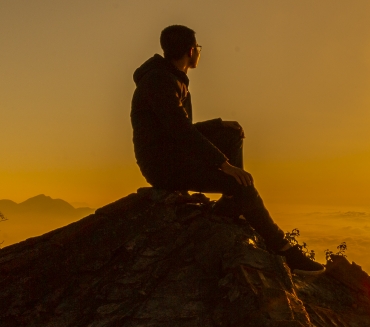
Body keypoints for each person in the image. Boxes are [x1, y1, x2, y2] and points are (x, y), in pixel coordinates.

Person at [131, 24, 324, 272]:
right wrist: (225, 165)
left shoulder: (169, 77)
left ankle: (233, 203)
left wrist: (219, 125)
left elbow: (177, 128)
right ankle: (282, 248)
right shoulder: (159, 80)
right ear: (191, 51)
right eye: (198, 48)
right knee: (240, 183)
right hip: (163, 167)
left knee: (231, 133)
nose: (199, 52)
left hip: (171, 153)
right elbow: (180, 131)